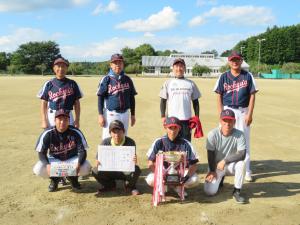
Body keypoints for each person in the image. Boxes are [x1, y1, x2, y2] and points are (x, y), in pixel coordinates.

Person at [213, 51, 258, 182]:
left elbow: (253, 95)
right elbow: (219, 95)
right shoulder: (223, 76)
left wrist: (250, 114)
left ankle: (247, 171)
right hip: (227, 112)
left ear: (241, 60)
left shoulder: (248, 76)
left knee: (244, 142)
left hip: (243, 111)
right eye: (232, 59)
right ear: (229, 61)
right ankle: (223, 169)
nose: (235, 62)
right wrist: (221, 114)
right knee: (224, 142)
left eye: (237, 59)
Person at [33, 109, 91, 192]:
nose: (62, 122)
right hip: (55, 160)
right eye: (60, 119)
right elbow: (41, 153)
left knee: (86, 166)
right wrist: (47, 165)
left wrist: (78, 164)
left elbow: (82, 151)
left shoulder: (75, 132)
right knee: (39, 168)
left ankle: (73, 179)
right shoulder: (48, 133)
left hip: (71, 159)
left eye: (65, 119)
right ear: (54, 120)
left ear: (69, 121)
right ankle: (54, 180)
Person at [145, 117, 199, 197]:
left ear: (179, 128)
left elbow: (194, 164)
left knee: (194, 179)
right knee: (150, 179)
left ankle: (178, 187)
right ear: (165, 128)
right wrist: (160, 176)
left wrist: (186, 177)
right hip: (163, 172)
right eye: (170, 128)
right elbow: (150, 163)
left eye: (175, 128)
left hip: (180, 173)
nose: (173, 131)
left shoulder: (186, 144)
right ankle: (164, 186)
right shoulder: (159, 142)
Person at [204, 109, 247, 204]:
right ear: (220, 121)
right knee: (209, 192)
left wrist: (225, 160)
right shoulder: (212, 134)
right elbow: (210, 155)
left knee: (241, 164)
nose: (227, 123)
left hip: (230, 165)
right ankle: (220, 179)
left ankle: (237, 191)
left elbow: (242, 154)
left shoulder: (240, 135)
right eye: (225, 120)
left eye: (230, 120)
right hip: (216, 167)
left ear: (234, 122)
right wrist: (212, 171)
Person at [92, 120, 141, 195]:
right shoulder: (105, 142)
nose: (116, 134)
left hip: (124, 171)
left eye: (119, 131)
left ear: (123, 132)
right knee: (95, 171)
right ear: (110, 133)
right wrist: (98, 162)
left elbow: (133, 162)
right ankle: (109, 185)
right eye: (114, 132)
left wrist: (134, 160)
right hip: (110, 171)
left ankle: (129, 186)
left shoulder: (130, 142)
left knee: (136, 169)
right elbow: (97, 160)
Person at [160, 58, 201, 141]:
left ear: (185, 68)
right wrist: (163, 116)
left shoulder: (191, 83)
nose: (179, 68)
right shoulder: (168, 83)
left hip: (186, 120)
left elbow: (195, 102)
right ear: (173, 68)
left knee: (186, 144)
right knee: (172, 144)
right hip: (172, 120)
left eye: (181, 66)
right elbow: (163, 101)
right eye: (176, 66)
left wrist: (197, 117)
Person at [97, 53, 137, 140]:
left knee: (123, 138)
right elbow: (100, 97)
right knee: (107, 139)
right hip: (111, 114)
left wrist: (133, 114)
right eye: (115, 63)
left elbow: (132, 98)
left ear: (123, 64)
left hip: (125, 113)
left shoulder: (128, 79)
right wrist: (100, 115)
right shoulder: (106, 79)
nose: (118, 65)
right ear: (111, 65)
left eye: (120, 63)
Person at [37, 56, 83, 129]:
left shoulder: (72, 83)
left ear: (67, 69)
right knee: (51, 138)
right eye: (58, 66)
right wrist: (44, 120)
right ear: (54, 68)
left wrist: (77, 120)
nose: (61, 69)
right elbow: (44, 102)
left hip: (67, 114)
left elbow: (77, 103)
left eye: (63, 66)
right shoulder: (49, 84)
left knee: (68, 138)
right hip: (52, 115)